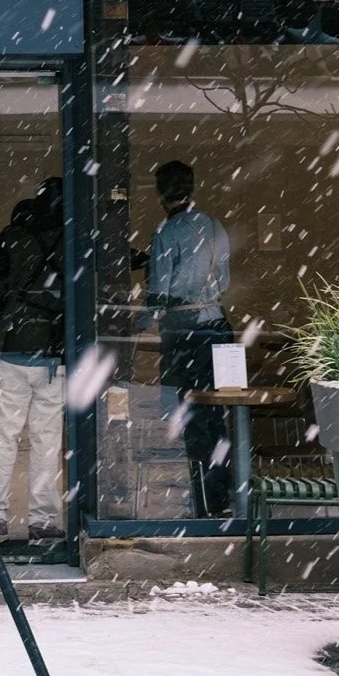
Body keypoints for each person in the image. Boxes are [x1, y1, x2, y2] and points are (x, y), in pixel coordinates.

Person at [0, 176, 67, 540]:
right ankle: (43, 521)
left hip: (11, 347)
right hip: (53, 352)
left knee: (2, 436)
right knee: (46, 440)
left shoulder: (11, 236)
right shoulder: (71, 236)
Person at [145, 160, 233, 518]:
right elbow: (224, 279)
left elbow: (160, 292)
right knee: (217, 413)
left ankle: (202, 502)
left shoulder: (167, 232)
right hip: (218, 326)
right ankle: (220, 496)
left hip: (185, 329)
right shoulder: (213, 225)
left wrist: (138, 321)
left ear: (160, 193)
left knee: (191, 414)